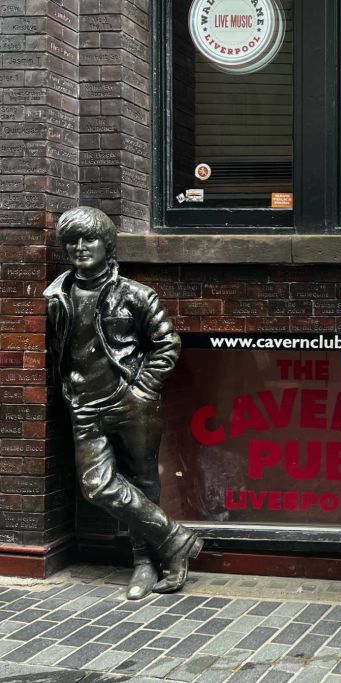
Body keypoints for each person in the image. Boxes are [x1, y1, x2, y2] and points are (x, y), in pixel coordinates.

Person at [44, 206, 201, 600]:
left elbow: (167, 343)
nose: (80, 247)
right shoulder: (57, 296)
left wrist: (142, 388)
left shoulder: (135, 294)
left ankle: (146, 563)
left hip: (130, 403)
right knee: (96, 486)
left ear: (107, 244)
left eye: (89, 239)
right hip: (83, 405)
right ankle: (175, 539)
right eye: (72, 241)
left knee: (143, 480)